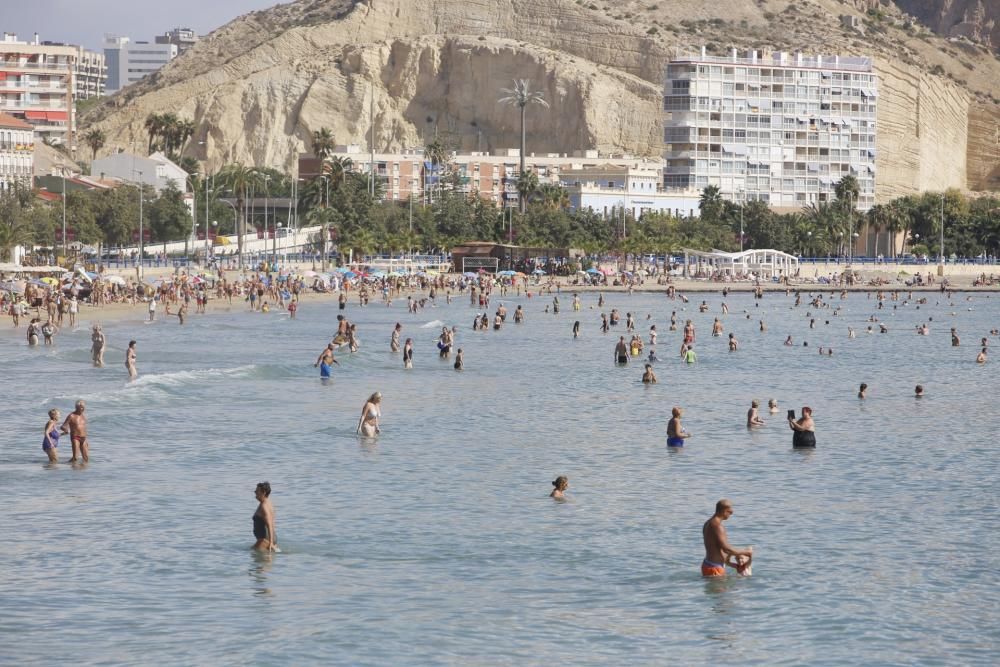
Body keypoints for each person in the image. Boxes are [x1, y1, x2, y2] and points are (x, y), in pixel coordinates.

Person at [701, 499, 753, 577]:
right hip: (715, 568)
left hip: (708, 564)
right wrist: (746, 552)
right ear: (724, 511)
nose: (731, 514)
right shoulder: (718, 526)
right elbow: (727, 549)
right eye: (730, 511)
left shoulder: (708, 523)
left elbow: (718, 547)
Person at [252, 482, 278, 552]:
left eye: (257, 491)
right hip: (269, 538)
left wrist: (270, 543)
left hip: (264, 540)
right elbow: (273, 523)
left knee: (252, 554)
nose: (255, 492)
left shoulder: (264, 506)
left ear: (263, 492)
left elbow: (269, 525)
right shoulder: (268, 503)